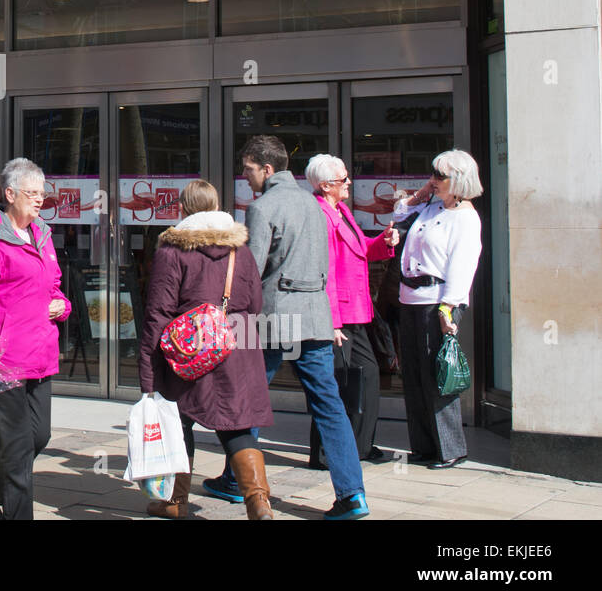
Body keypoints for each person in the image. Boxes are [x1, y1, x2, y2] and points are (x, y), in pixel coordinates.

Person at [204, 135, 369, 520]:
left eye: (247, 170)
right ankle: (353, 494)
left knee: (247, 400)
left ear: (267, 168)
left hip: (275, 319)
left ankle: (236, 480)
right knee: (329, 406)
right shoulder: (316, 206)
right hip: (315, 316)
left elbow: (251, 272)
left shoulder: (263, 208)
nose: (244, 178)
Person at [140, 180, 274, 519]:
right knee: (236, 428)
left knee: (178, 423)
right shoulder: (239, 249)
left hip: (187, 352)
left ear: (183, 209)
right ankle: (259, 503)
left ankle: (176, 503)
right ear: (216, 207)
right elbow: (256, 304)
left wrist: (147, 370)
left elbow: (158, 312)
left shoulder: (172, 250)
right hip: (234, 348)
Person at [0, 157, 70, 520]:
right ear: (10, 193)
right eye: (31, 193)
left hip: (40, 353)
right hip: (0, 357)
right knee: (19, 447)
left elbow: (54, 287)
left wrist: (61, 304)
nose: (39, 200)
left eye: (42, 194)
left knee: (39, 437)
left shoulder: (42, 235)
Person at [392, 150, 483, 470]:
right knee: (414, 375)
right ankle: (423, 445)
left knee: (438, 378)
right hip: (410, 297)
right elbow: (400, 214)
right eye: (432, 174)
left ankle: (450, 448)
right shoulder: (429, 207)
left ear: (458, 180)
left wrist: (449, 308)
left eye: (439, 177)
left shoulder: (466, 218)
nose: (433, 180)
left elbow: (463, 264)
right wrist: (420, 195)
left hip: (438, 301)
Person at [306, 154, 398, 465]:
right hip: (338, 314)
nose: (349, 183)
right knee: (338, 383)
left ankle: (357, 446)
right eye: (344, 179)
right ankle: (329, 453)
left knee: (363, 376)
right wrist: (331, 321)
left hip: (356, 310)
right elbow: (326, 270)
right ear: (326, 185)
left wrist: (384, 241)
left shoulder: (341, 210)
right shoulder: (321, 215)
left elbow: (363, 250)